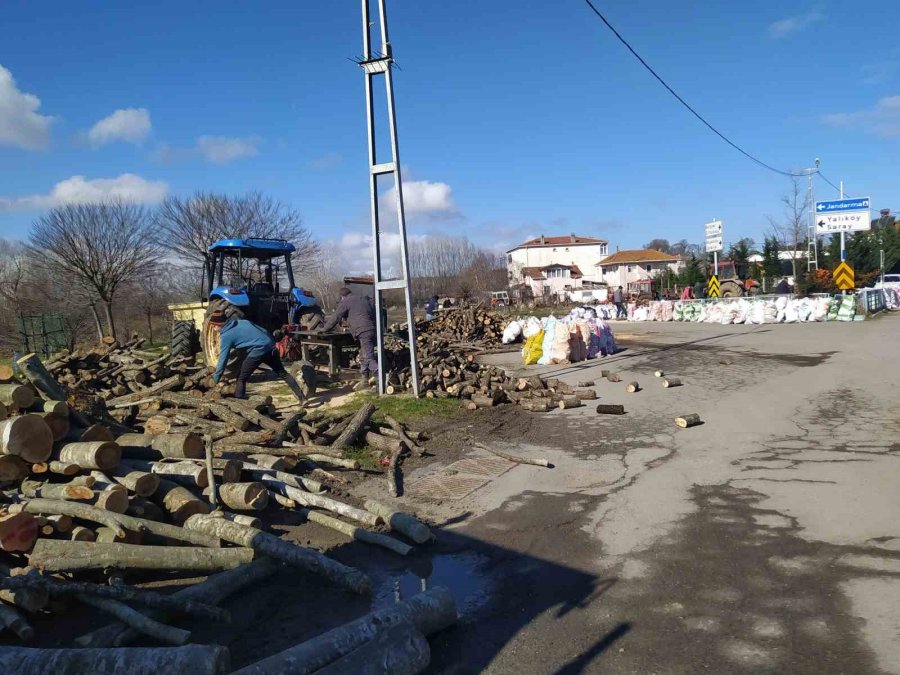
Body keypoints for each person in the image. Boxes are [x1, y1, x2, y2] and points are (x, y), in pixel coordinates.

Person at [209, 311, 306, 403]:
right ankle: (302, 398)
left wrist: (216, 378)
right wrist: (272, 343)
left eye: (214, 326)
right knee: (283, 373)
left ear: (219, 324)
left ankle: (240, 404)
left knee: (241, 378)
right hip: (271, 347)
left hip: (258, 351)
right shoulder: (243, 322)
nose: (214, 328)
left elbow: (223, 358)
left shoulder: (226, 336)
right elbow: (263, 330)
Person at [321, 287, 378, 389]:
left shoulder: (346, 301)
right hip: (372, 329)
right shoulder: (363, 299)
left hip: (362, 330)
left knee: (369, 357)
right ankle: (364, 379)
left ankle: (381, 378)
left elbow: (336, 317)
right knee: (363, 354)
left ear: (342, 297)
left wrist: (325, 329)